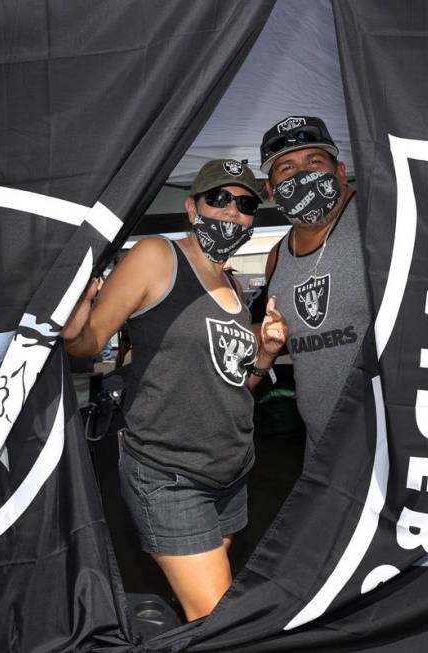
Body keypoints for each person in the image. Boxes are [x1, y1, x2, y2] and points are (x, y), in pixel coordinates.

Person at [61, 159, 287, 622]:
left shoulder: (236, 287)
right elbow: (88, 344)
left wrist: (263, 355)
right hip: (171, 475)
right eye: (218, 198)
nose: (231, 211)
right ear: (191, 206)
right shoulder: (157, 256)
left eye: (244, 204)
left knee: (202, 611)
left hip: (231, 473)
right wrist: (73, 324)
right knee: (219, 619)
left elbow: (237, 384)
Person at [257, 116, 371, 461]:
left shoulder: (379, 222)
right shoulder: (277, 257)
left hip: (392, 447)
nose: (302, 174)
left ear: (340, 171)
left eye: (314, 161)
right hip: (321, 451)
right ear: (271, 191)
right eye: (286, 167)